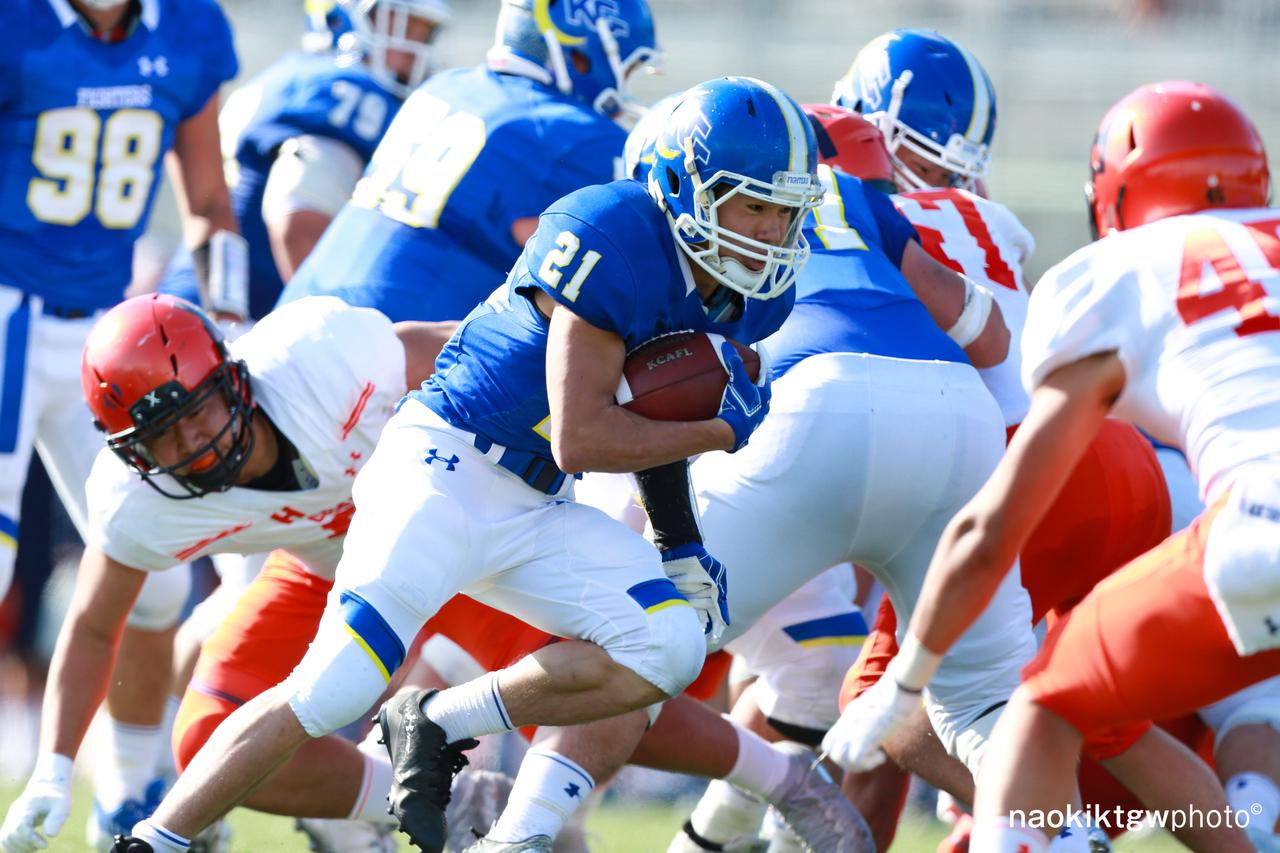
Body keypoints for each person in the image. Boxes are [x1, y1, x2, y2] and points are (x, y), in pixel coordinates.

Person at [114, 75, 823, 853]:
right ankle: (154, 838)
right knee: (332, 687)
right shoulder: (609, 229)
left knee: (669, 645)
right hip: (441, 464)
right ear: (683, 184)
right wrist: (722, 432)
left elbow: (649, 415)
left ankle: (434, 721)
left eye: (788, 209)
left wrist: (680, 543)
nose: (773, 229)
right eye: (753, 205)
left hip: (533, 501)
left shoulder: (748, 290)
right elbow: (583, 436)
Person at [824, 80, 1280, 853]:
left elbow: (997, 521)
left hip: (1249, 523)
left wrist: (907, 684)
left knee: (1041, 707)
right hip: (1184, 504)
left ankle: (1059, 837)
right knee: (1222, 708)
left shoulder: (1112, 271)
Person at [0, 293, 453, 853]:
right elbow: (95, 625)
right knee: (208, 741)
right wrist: (54, 768)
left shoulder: (316, 360)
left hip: (472, 546)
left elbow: (481, 354)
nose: (193, 443)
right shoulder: (137, 503)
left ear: (231, 377)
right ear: (133, 454)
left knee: (583, 687)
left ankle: (538, 802)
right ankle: (458, 802)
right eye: (162, 433)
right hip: (334, 566)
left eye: (195, 410)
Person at [0, 0, 241, 844]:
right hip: (5, 314)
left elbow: (208, 201)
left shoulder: (189, 29)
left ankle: (126, 802)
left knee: (159, 577)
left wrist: (232, 314)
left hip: (103, 340)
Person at [276, 0, 659, 323]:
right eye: (626, 69)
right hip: (378, 366)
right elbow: (612, 266)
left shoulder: (445, 86)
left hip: (289, 324)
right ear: (580, 54)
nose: (623, 86)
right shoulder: (574, 134)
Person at [162, 0, 451, 322]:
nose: (415, 49)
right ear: (340, 20)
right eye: (404, 28)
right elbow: (299, 225)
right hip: (238, 322)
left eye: (424, 34)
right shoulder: (343, 94)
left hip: (213, 310)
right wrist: (335, 333)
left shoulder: (291, 74)